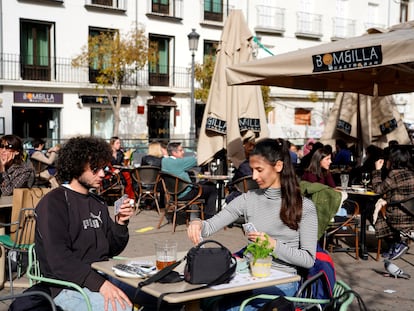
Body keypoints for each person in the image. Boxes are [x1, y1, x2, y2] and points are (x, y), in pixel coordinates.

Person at [187, 138, 317, 310]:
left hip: (282, 283)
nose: (254, 176)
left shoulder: (304, 206)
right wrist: (197, 223)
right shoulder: (248, 199)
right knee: (194, 299)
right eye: (252, 169)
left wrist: (273, 245)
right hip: (246, 278)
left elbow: (308, 259)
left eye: (259, 170)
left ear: (278, 166)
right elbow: (210, 226)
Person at [35, 136, 135, 311]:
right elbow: (59, 260)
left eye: (103, 168)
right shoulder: (54, 202)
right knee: (122, 308)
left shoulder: (98, 202)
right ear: (76, 166)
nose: (103, 174)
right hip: (67, 286)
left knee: (160, 297)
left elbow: (111, 249)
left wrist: (120, 223)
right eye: (95, 169)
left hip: (103, 276)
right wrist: (101, 285)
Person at [372, 145, 414, 260]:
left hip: (398, 218)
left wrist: (377, 171)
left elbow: (378, 189)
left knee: (371, 211)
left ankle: (395, 244)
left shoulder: (394, 174)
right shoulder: (411, 173)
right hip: (411, 216)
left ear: (394, 160)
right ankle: (396, 244)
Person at [162, 142, 218, 219]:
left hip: (173, 194)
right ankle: (209, 216)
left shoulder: (164, 161)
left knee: (204, 184)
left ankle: (197, 214)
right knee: (212, 188)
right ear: (174, 153)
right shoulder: (179, 162)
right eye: (181, 150)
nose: (183, 152)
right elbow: (198, 159)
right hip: (185, 193)